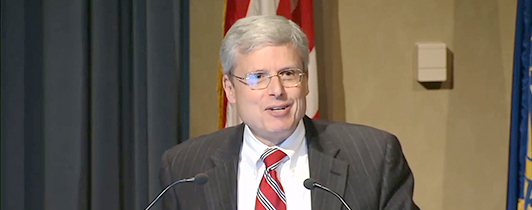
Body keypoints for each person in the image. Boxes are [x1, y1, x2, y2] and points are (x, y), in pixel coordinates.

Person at [159, 15, 419, 210]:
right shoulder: (185, 169)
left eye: (288, 74)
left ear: (305, 82)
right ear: (230, 89)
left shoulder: (373, 157)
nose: (277, 90)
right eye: (258, 77)